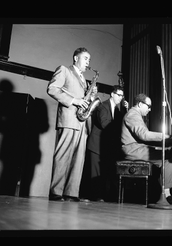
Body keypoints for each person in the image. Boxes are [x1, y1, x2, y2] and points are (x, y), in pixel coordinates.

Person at [47, 47, 94, 202]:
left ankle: (71, 193)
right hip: (68, 119)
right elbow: (52, 89)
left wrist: (91, 95)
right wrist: (75, 101)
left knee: (79, 159)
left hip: (82, 123)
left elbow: (85, 100)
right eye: (85, 58)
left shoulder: (84, 80)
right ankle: (56, 192)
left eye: (89, 59)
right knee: (63, 156)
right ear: (75, 58)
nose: (88, 62)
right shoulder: (64, 70)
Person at [121, 93, 172, 204]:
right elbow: (144, 135)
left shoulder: (135, 114)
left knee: (165, 153)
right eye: (148, 106)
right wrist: (165, 136)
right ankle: (166, 195)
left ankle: (163, 192)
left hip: (136, 148)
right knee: (168, 158)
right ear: (139, 104)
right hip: (132, 150)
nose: (150, 109)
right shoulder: (133, 114)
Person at [86, 85, 129, 201]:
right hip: (96, 145)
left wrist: (126, 111)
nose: (121, 98)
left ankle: (102, 197)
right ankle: (95, 196)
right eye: (119, 95)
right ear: (112, 94)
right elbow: (105, 124)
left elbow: (123, 126)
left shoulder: (118, 110)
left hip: (106, 147)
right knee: (95, 173)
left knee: (104, 173)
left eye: (122, 96)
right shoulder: (103, 106)